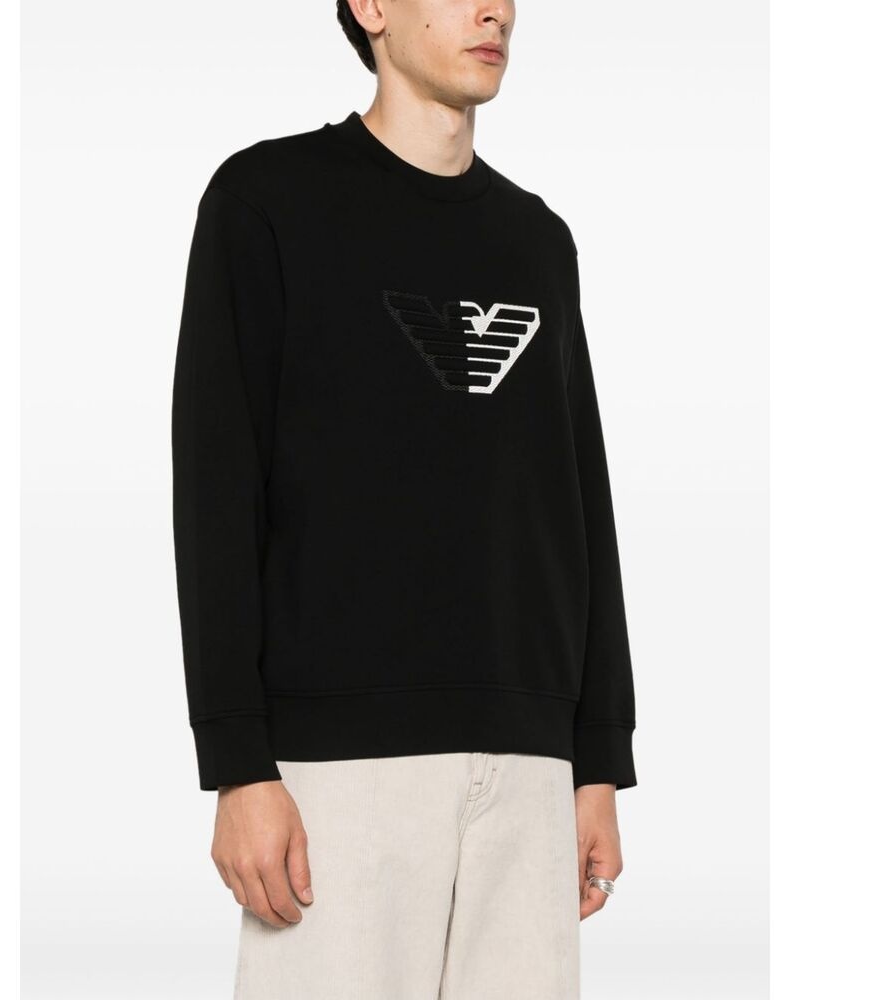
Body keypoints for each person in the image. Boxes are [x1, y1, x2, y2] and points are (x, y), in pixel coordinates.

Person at [171, 2, 637, 997]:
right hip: (340, 771)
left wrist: (597, 758)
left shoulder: (536, 240)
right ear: (371, 6)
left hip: (528, 765)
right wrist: (239, 763)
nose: (494, 9)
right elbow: (216, 491)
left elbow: (577, 499)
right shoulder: (268, 202)